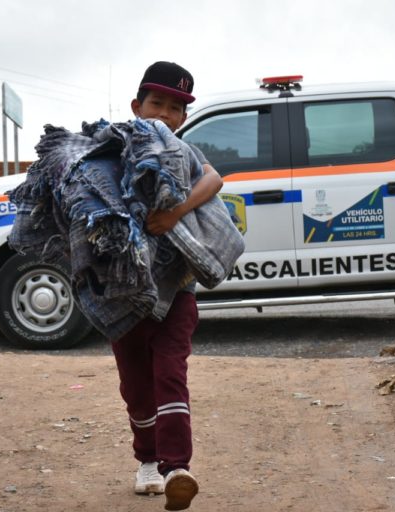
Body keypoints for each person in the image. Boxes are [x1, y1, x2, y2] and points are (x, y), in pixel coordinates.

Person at [111, 61, 223, 511]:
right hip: (123, 293)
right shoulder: (112, 149)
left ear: (183, 117)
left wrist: (175, 212)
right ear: (137, 106)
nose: (165, 113)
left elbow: (214, 179)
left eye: (176, 107)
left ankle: (177, 467)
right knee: (136, 383)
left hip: (178, 288)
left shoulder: (184, 152)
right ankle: (147, 459)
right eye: (157, 102)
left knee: (170, 372)